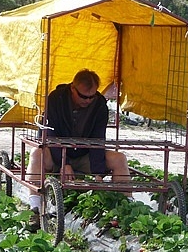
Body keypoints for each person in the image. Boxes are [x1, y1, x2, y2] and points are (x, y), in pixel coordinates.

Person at [26, 69, 130, 229]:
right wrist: (64, 163)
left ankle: (126, 209)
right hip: (55, 153)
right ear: (72, 88)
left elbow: (98, 138)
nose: (88, 100)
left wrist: (98, 172)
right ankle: (35, 209)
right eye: (83, 96)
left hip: (83, 154)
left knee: (120, 159)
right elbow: (50, 135)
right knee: (36, 153)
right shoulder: (55, 99)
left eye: (91, 96)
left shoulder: (99, 104)